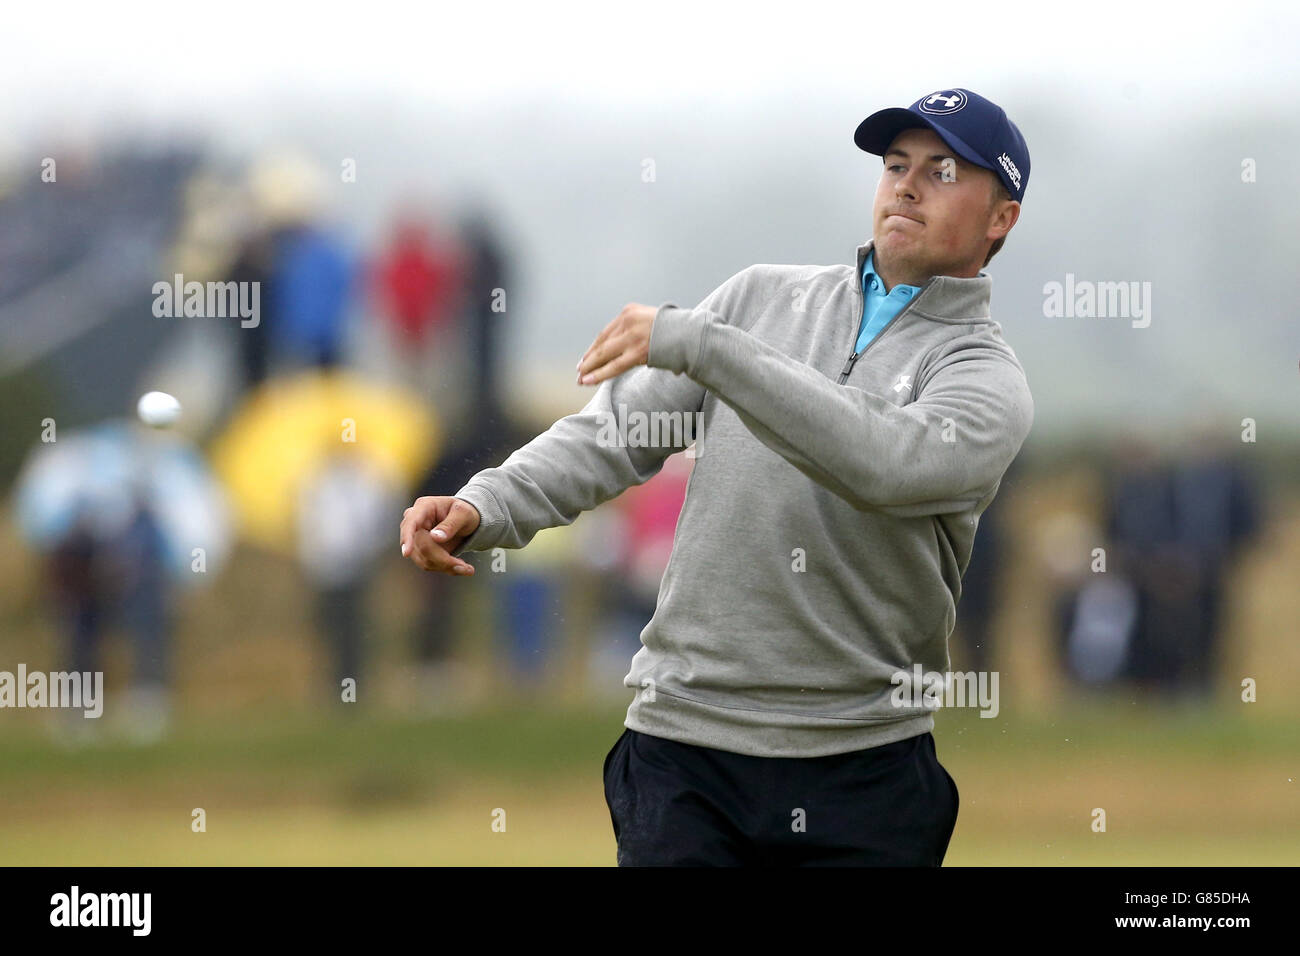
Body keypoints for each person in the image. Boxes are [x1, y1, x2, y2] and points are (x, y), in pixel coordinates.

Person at [399, 88, 1033, 866]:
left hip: (864, 767)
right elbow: (615, 436)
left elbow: (883, 463)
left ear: (1000, 218)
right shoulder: (761, 298)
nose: (905, 185)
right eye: (896, 166)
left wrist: (708, 346)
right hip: (683, 746)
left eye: (941, 172)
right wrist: (486, 500)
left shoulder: (985, 380)